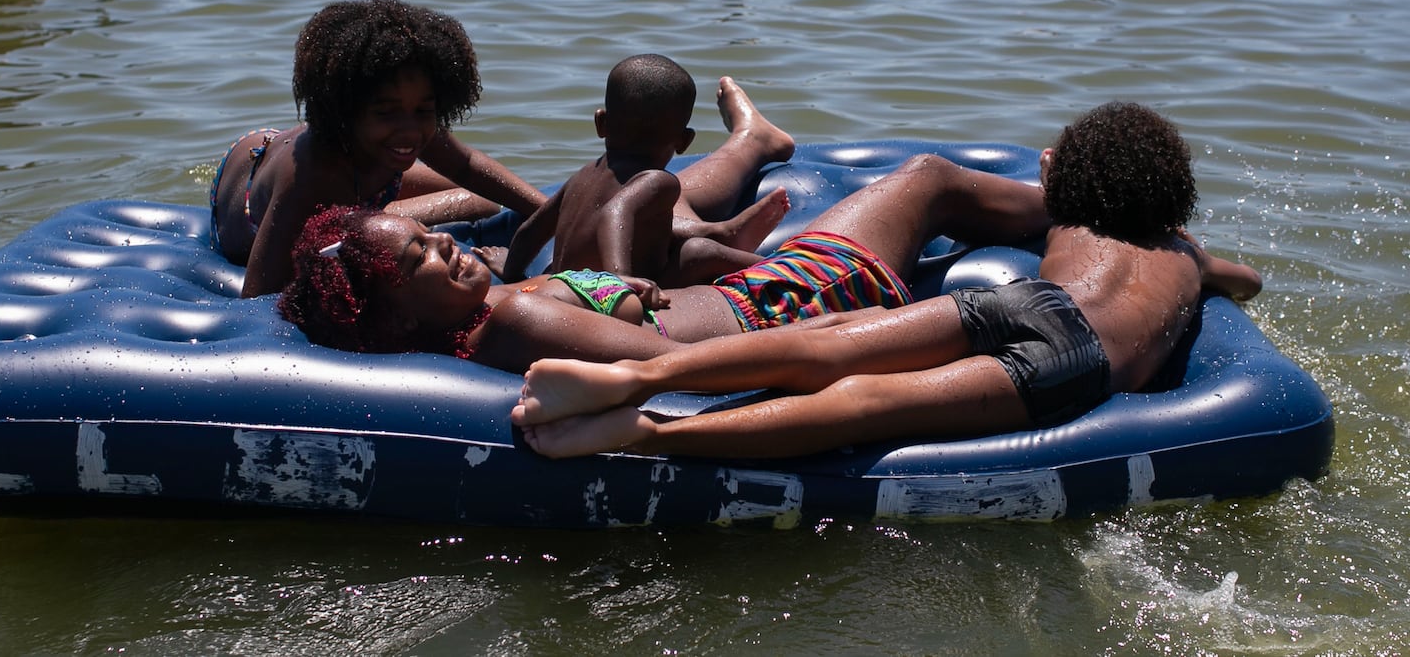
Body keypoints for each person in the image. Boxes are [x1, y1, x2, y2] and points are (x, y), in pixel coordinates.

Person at [511, 102, 1264, 460]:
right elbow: (1248, 279)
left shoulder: (1073, 219)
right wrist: (1199, 273)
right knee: (865, 406)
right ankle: (646, 434)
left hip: (1029, 300)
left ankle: (635, 378)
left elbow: (1031, 201)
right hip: (1080, 352)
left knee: (828, 340)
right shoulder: (1186, 255)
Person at [280, 130, 1046, 371]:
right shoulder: (512, 326)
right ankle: (1076, 202)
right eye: (420, 257)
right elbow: (667, 367)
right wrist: (835, 336)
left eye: (428, 232)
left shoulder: (493, 311)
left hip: (774, 290)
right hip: (804, 296)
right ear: (396, 317)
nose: (444, 242)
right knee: (928, 177)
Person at [211, 0, 548, 298]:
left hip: (340, 159)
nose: (410, 129)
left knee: (483, 201)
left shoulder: (404, 128)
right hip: (247, 182)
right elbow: (258, 295)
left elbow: (466, 165)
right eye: (386, 112)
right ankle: (374, 218)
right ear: (345, 110)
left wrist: (551, 214)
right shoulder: (313, 178)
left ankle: (374, 217)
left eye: (424, 111)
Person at [498, 57, 791, 288]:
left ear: (601, 123)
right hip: (602, 296)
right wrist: (619, 281)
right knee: (698, 252)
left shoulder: (584, 175)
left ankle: (721, 232)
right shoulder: (658, 180)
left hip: (564, 284)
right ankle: (776, 268)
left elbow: (530, 230)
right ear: (684, 141)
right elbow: (615, 212)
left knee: (657, 227)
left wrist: (512, 274)